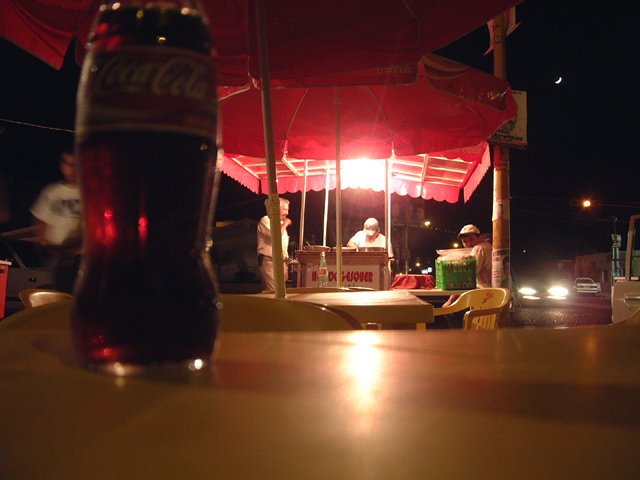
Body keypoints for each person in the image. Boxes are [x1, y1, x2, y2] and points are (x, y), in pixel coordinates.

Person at [30, 151, 83, 294]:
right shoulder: (52, 191)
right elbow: (40, 218)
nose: (73, 169)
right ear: (62, 166)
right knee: (58, 292)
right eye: (69, 164)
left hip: (81, 256)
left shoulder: (88, 192)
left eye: (76, 164)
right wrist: (42, 240)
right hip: (55, 254)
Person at [442, 224, 492, 328]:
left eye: (471, 239)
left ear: (480, 237)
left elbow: (466, 277)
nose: (468, 243)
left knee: (451, 312)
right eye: (465, 241)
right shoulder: (486, 246)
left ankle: (461, 342)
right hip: (485, 294)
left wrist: (450, 301)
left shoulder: (479, 249)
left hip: (484, 296)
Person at [257, 197, 291, 291]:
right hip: (269, 263)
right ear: (276, 208)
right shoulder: (266, 220)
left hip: (281, 263)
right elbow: (274, 236)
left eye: (287, 210)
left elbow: (284, 248)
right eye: (284, 209)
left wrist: (286, 267)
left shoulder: (281, 224)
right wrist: (286, 224)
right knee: (273, 293)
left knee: (281, 292)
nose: (287, 213)